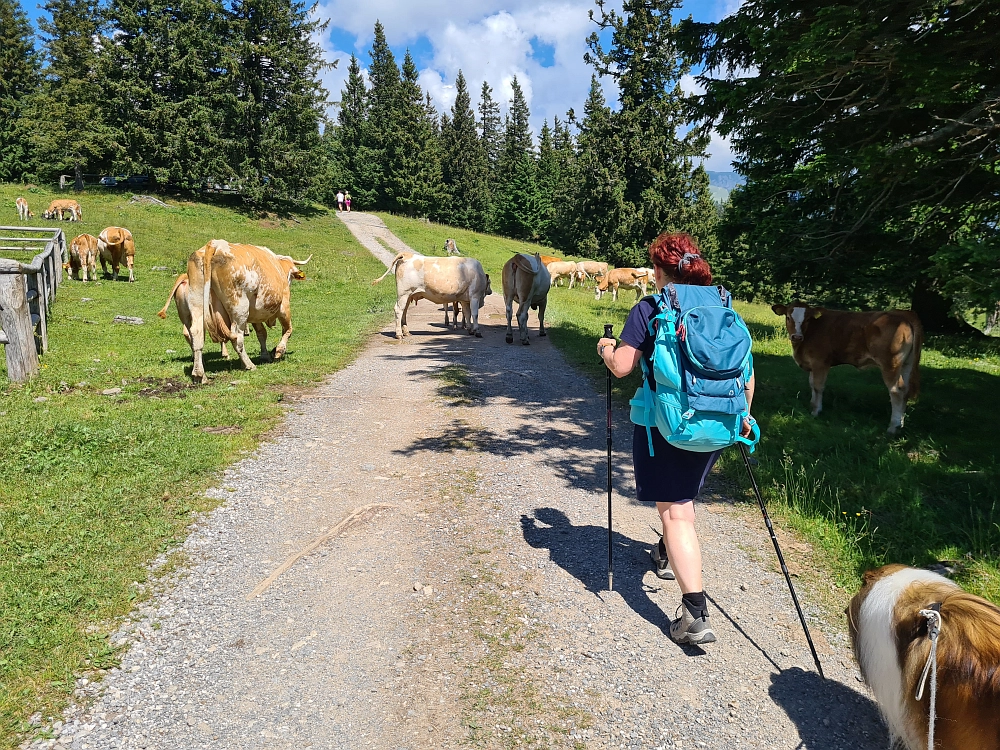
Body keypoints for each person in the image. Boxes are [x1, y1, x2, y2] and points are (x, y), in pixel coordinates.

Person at [596, 232, 755, 645]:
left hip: (663, 426)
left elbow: (621, 368)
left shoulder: (650, 308)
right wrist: (744, 416)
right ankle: (666, 554)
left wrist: (605, 348)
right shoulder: (724, 307)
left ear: (659, 270)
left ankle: (694, 613)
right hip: (721, 424)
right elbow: (747, 375)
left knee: (676, 511)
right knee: (684, 497)